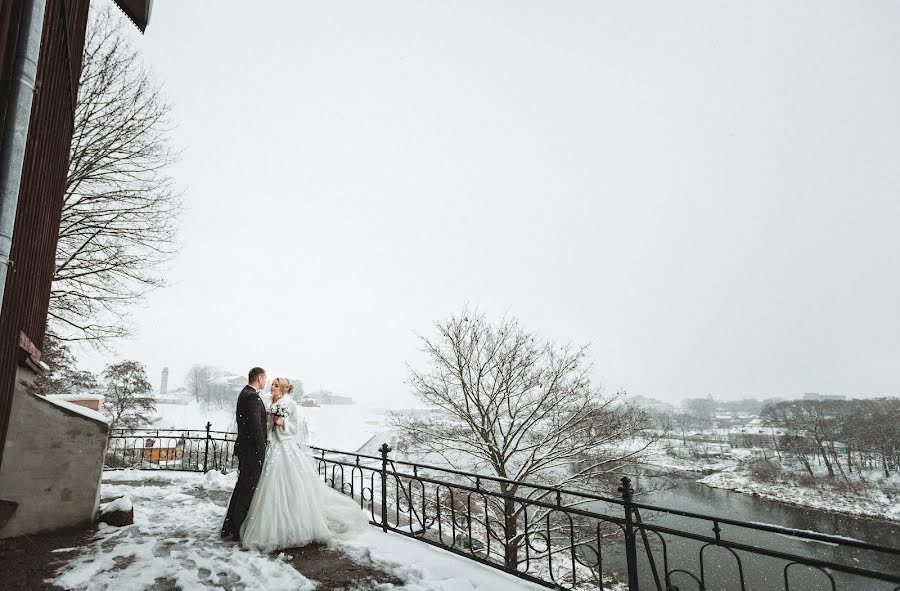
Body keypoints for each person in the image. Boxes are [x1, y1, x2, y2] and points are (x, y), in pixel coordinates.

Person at [239, 377, 369, 552]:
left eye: (277, 385)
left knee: (289, 486)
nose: (273, 387)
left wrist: (282, 422)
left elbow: (294, 429)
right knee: (265, 487)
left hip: (284, 447)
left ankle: (292, 526)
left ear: (284, 388)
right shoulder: (266, 400)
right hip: (269, 446)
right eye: (272, 384)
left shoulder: (290, 404)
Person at [221, 367, 268, 541]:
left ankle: (231, 525)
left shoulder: (244, 394)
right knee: (247, 490)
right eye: (265, 378)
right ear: (259, 378)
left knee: (242, 488)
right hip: (252, 451)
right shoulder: (253, 397)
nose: (266, 382)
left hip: (245, 449)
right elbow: (256, 428)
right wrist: (262, 449)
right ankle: (238, 529)